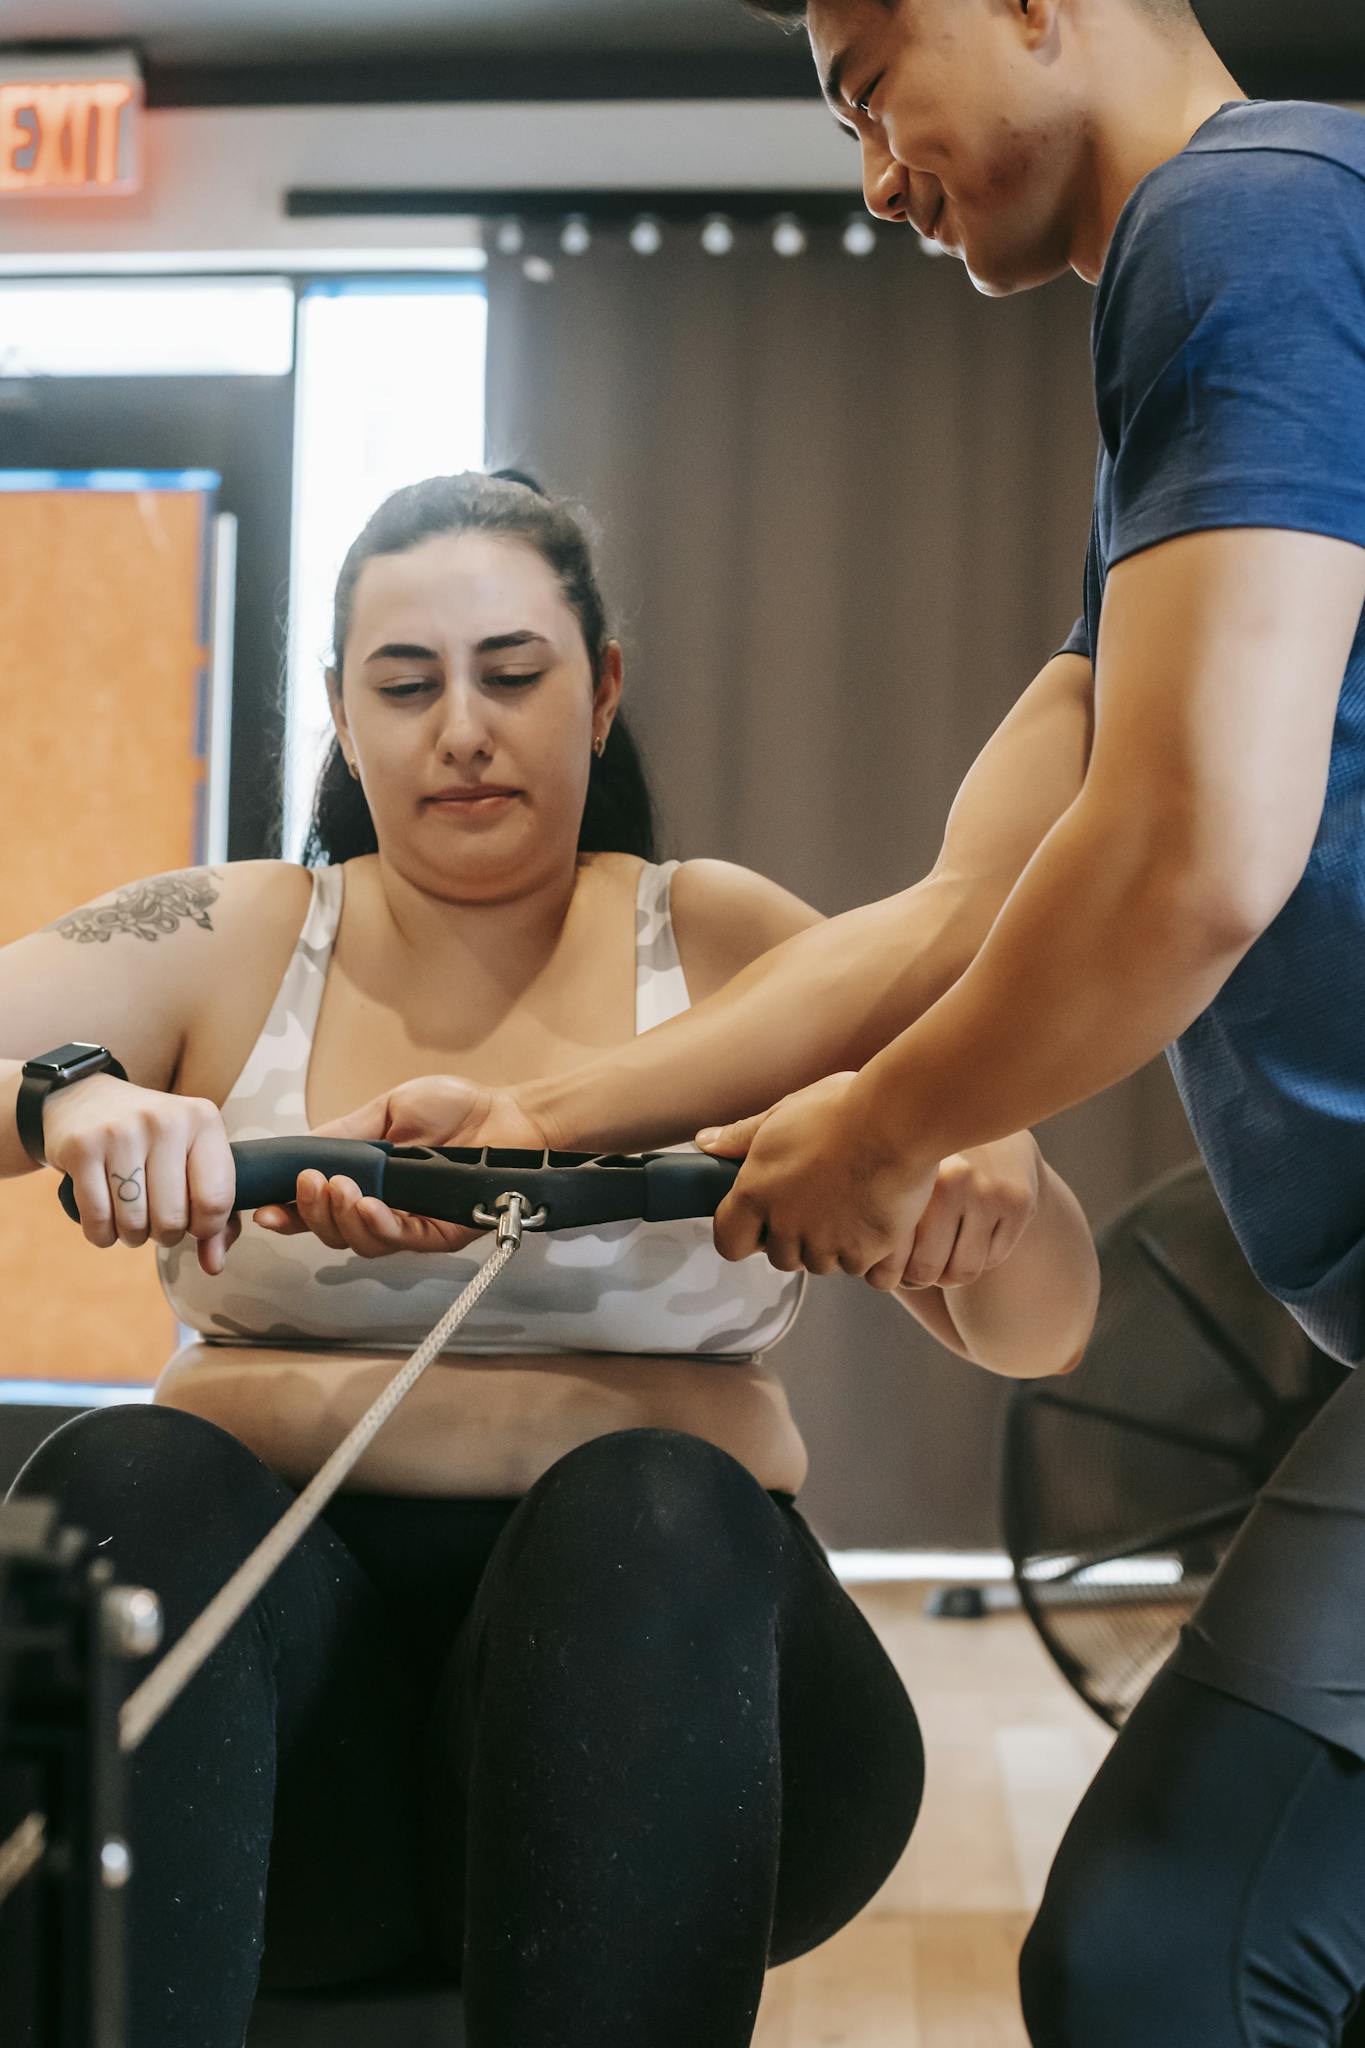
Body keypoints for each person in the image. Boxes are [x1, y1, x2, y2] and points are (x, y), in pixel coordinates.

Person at [293, 6, 1365, 2043]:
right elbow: (958, 903)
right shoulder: (1227, 321)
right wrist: (537, 1123)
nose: (872, 174)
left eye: (870, 86)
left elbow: (1189, 856)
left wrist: (881, 1134)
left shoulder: (1242, 224)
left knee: (1167, 1952)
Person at [0, 470, 1098, 2048]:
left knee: (644, 1505)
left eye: (513, 674)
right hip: (299, 1752)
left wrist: (976, 1158)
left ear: (602, 693)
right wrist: (73, 1094)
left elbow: (1040, 1330)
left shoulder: (723, 942)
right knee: (124, 1483)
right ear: (336, 711)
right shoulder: (232, 930)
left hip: (681, 1677)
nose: (462, 727)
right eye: (405, 682)